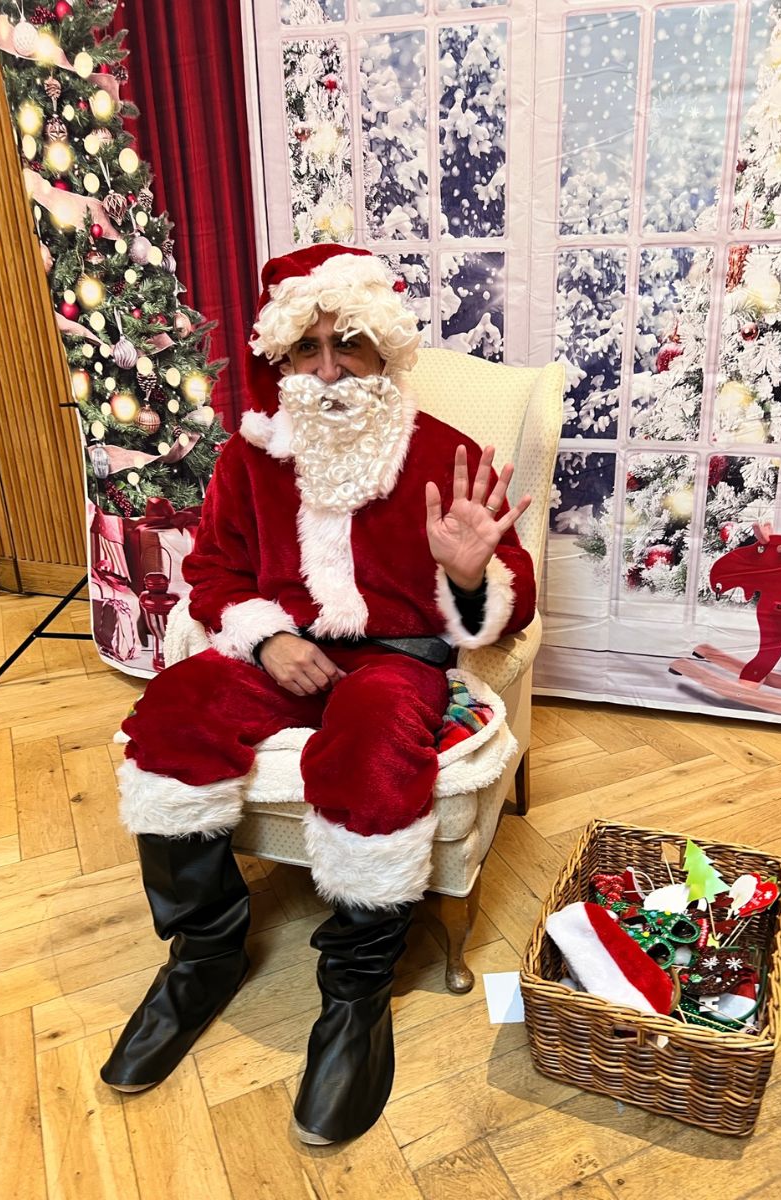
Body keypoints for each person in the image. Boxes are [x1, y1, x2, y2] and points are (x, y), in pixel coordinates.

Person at [99, 244, 536, 1145]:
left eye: (352, 348)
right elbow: (216, 573)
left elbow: (510, 594)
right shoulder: (250, 458)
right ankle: (204, 957)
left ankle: (354, 997)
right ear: (281, 360)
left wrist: (470, 572)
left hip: (397, 661)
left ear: (388, 355)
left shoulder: (447, 455)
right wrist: (270, 636)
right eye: (308, 351)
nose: (330, 372)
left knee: (373, 745)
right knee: (173, 720)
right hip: (277, 652)